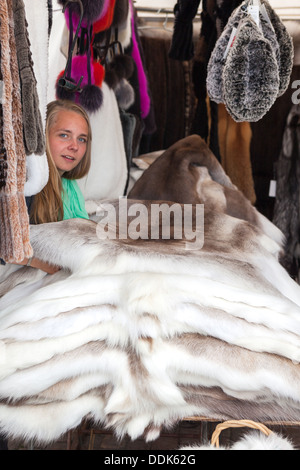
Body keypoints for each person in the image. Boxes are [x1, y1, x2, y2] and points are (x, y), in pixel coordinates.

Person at [6, 99, 92, 273]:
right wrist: (44, 264)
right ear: (44, 135)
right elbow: (6, 244)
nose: (74, 146)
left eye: (82, 139)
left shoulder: (70, 187)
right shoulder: (25, 183)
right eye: (64, 135)